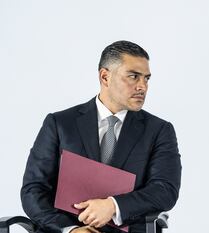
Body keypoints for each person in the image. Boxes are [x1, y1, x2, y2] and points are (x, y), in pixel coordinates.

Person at [21, 40, 182, 233]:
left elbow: (165, 190)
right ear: (105, 77)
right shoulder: (60, 123)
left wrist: (113, 206)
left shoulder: (159, 130)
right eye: (133, 76)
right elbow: (34, 190)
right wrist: (69, 229)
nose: (143, 87)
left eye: (146, 78)